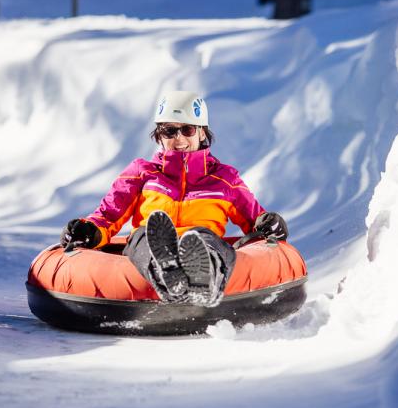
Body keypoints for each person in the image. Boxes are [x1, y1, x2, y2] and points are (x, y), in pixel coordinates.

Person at [60, 90, 288, 307]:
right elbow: (109, 215)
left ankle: (203, 277)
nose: (178, 139)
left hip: (200, 241)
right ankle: (168, 273)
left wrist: (269, 223)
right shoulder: (142, 172)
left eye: (187, 129)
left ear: (201, 132)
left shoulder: (224, 178)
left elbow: (255, 219)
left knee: (202, 237)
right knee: (146, 235)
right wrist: (88, 230)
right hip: (150, 241)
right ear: (159, 134)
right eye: (170, 131)